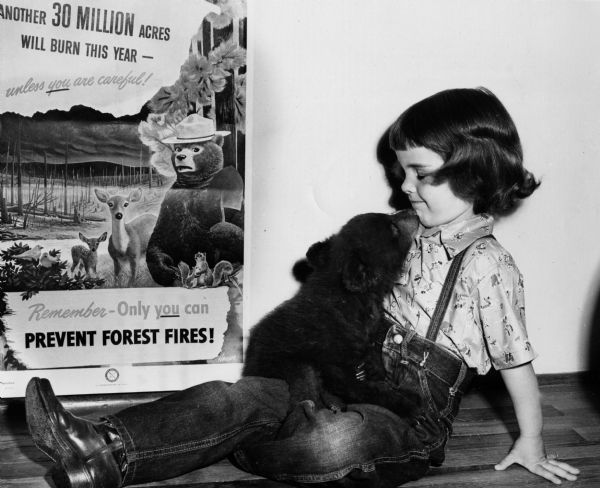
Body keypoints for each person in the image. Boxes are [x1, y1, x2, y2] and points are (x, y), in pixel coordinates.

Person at [25, 87, 580, 488]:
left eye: (420, 173)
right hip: (354, 373)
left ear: (476, 174)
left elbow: (516, 361)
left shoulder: (490, 267)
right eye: (401, 171)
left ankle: (264, 442)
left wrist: (529, 440)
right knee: (236, 394)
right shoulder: (411, 232)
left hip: (409, 418)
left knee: (336, 441)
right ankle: (102, 449)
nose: (404, 186)